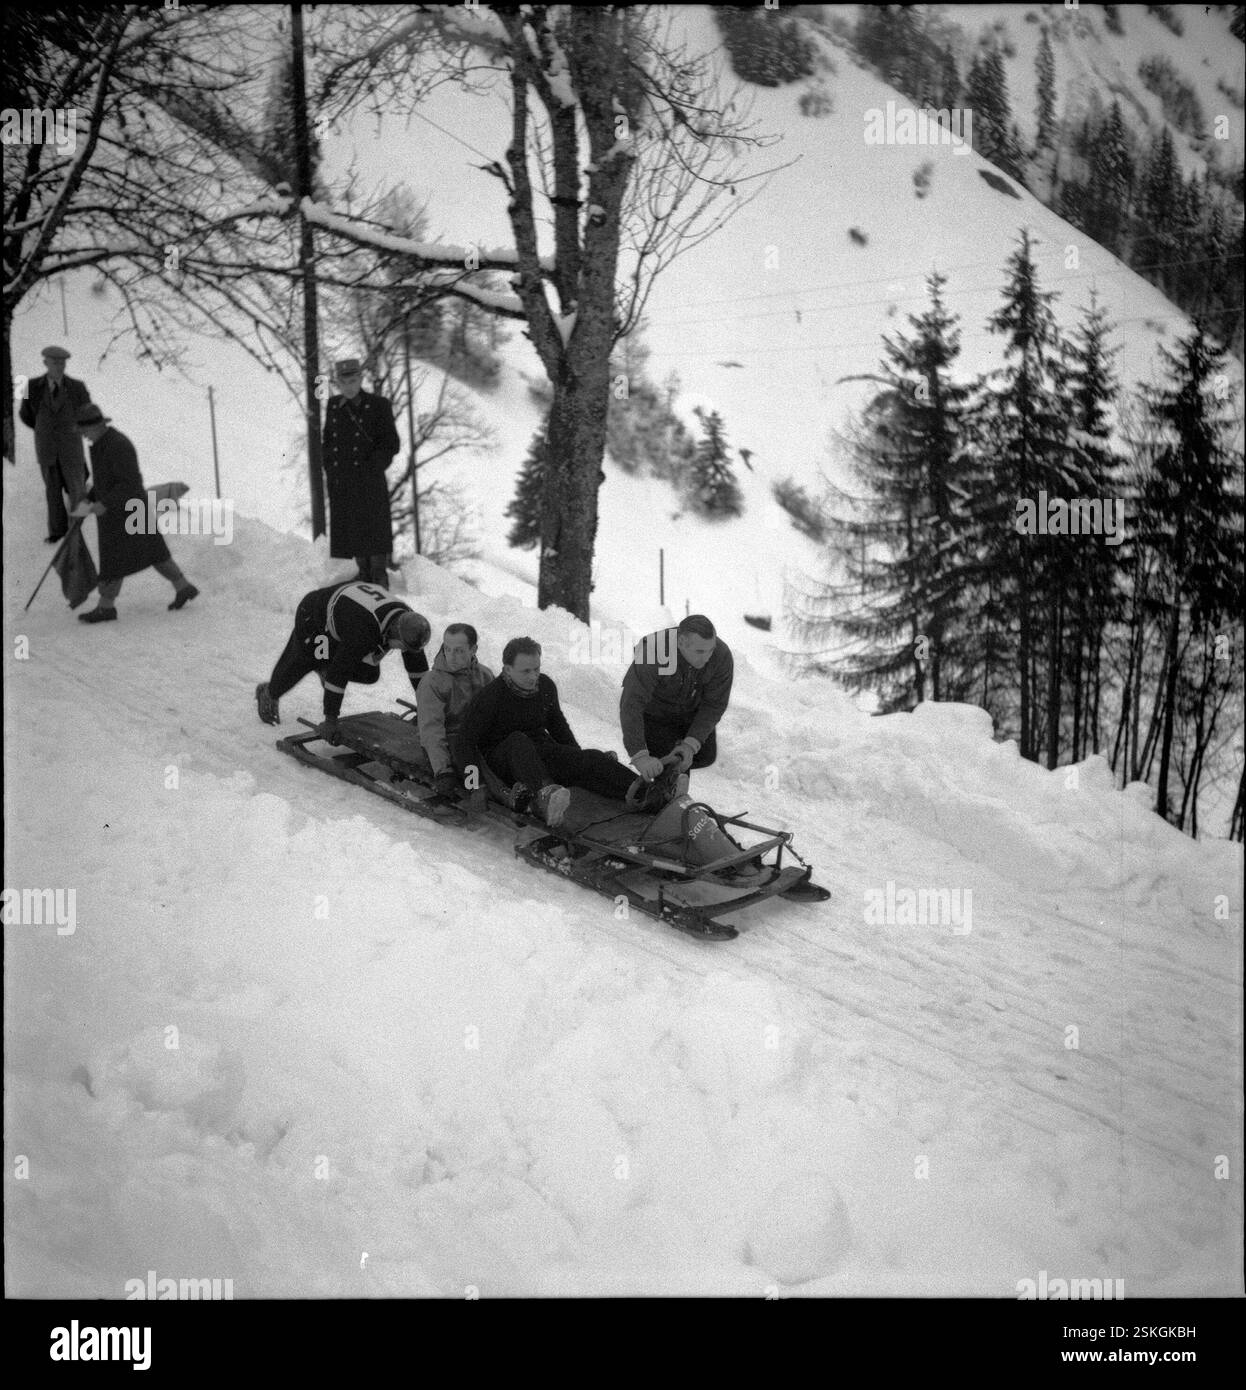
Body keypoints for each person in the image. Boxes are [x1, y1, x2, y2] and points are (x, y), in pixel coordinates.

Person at [455, 637, 669, 827]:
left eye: (536, 669)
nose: (533, 677)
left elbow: (558, 726)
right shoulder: (490, 698)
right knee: (518, 740)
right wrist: (474, 786)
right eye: (526, 671)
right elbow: (463, 743)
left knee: (592, 757)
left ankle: (647, 793)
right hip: (505, 760)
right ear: (507, 669)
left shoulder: (545, 686)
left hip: (540, 750)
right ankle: (545, 796)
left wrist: (577, 759)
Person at [70, 404, 199, 623]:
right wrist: (89, 499)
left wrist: (105, 503)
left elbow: (130, 484)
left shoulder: (118, 445)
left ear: (98, 425)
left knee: (116, 560)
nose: (83, 436)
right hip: (124, 510)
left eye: (84, 431)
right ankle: (183, 587)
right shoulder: (103, 443)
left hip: (126, 511)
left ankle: (106, 608)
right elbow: (105, 481)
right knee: (154, 552)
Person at [256, 580, 430, 736]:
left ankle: (326, 665)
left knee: (369, 674)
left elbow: (419, 672)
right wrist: (330, 721)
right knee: (309, 660)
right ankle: (269, 692)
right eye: (402, 647)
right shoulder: (362, 633)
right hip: (315, 617)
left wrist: (427, 708)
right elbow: (340, 672)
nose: (404, 651)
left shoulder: (410, 625)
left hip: (347, 612)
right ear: (393, 631)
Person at [620, 614, 734, 780]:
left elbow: (714, 704)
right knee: (675, 771)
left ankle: (664, 769)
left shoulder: (721, 655)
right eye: (700, 651)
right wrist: (640, 756)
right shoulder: (653, 651)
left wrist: (690, 744)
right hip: (655, 716)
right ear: (681, 642)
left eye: (710, 650)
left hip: (688, 711)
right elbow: (632, 703)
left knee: (705, 756)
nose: (707, 657)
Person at [323, 358, 400, 587]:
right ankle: (362, 572)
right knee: (352, 527)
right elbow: (328, 442)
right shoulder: (334, 406)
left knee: (374, 527)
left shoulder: (378, 405)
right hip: (343, 481)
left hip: (369, 479)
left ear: (361, 379)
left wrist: (373, 466)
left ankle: (378, 574)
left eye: (353, 380)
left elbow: (391, 443)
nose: (349, 386)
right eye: (344, 381)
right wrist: (330, 468)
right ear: (338, 382)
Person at [18, 345, 93, 542]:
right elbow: (25, 414)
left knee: (77, 489)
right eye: (55, 363)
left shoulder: (78, 387)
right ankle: (57, 532)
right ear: (45, 363)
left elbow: (87, 413)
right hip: (46, 449)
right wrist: (44, 431)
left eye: (62, 363)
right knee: (52, 492)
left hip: (71, 449)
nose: (60, 366)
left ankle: (77, 529)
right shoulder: (30, 387)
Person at [416, 623, 495, 798]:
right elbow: (431, 729)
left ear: (473, 649)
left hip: (476, 738)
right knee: (472, 759)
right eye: (447, 649)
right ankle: (476, 789)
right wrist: (443, 770)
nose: (451, 656)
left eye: (459, 651)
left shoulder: (485, 675)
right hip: (448, 744)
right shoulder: (432, 682)